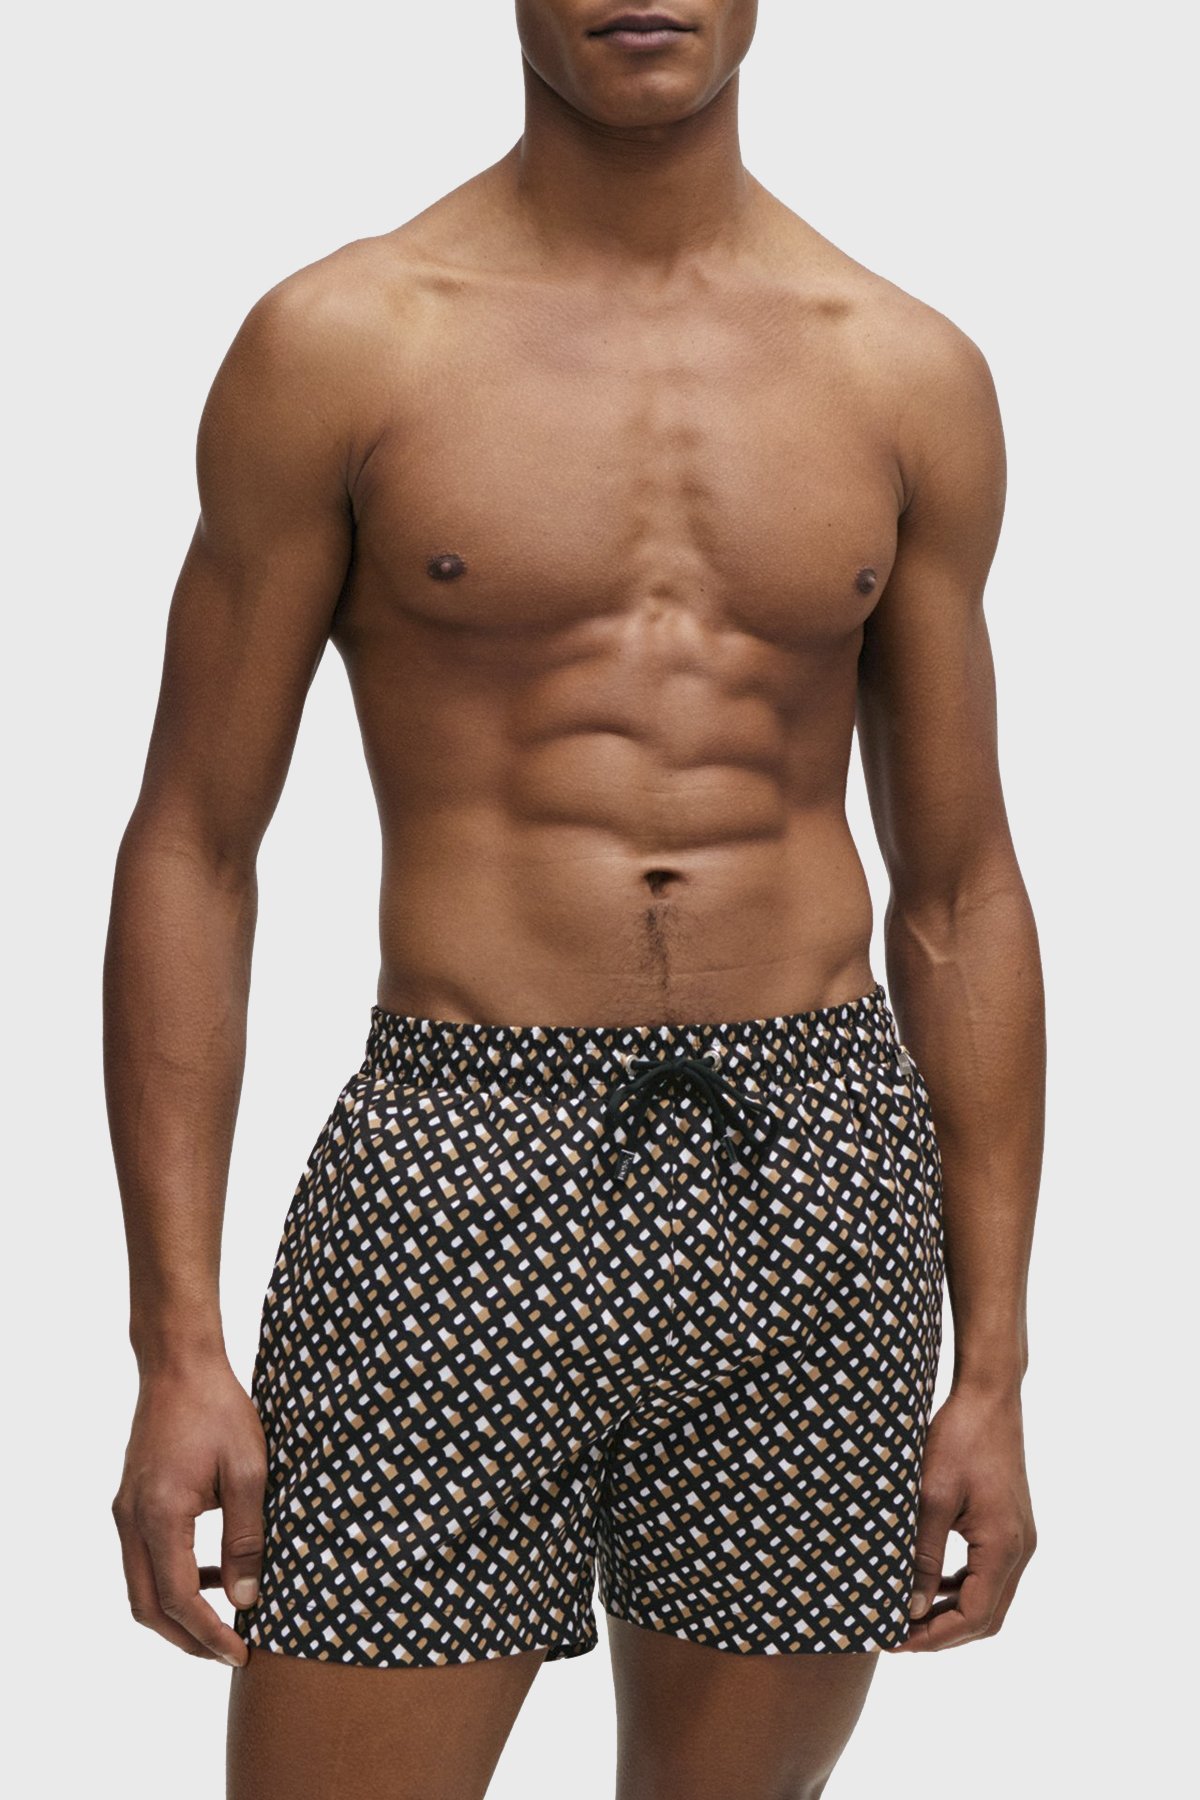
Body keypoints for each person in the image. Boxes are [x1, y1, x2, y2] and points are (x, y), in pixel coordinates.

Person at [105, 3, 1044, 1795]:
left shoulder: (904, 371)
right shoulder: (346, 343)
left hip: (817, 1172)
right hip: (461, 1159)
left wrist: (993, 1368)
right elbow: (193, 844)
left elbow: (961, 886)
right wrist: (176, 1344)